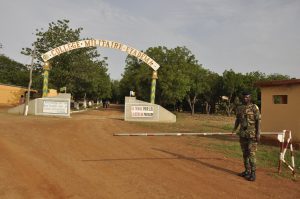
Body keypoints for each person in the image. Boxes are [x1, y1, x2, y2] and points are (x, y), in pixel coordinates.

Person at [232, 92, 261, 181]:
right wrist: (234, 129)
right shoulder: (239, 108)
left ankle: (253, 173)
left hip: (252, 134)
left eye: (247, 97)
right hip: (243, 134)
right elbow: (237, 119)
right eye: (244, 97)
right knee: (245, 154)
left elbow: (258, 121)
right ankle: (247, 171)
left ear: (250, 98)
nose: (245, 99)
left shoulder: (254, 107)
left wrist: (258, 133)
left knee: (251, 153)